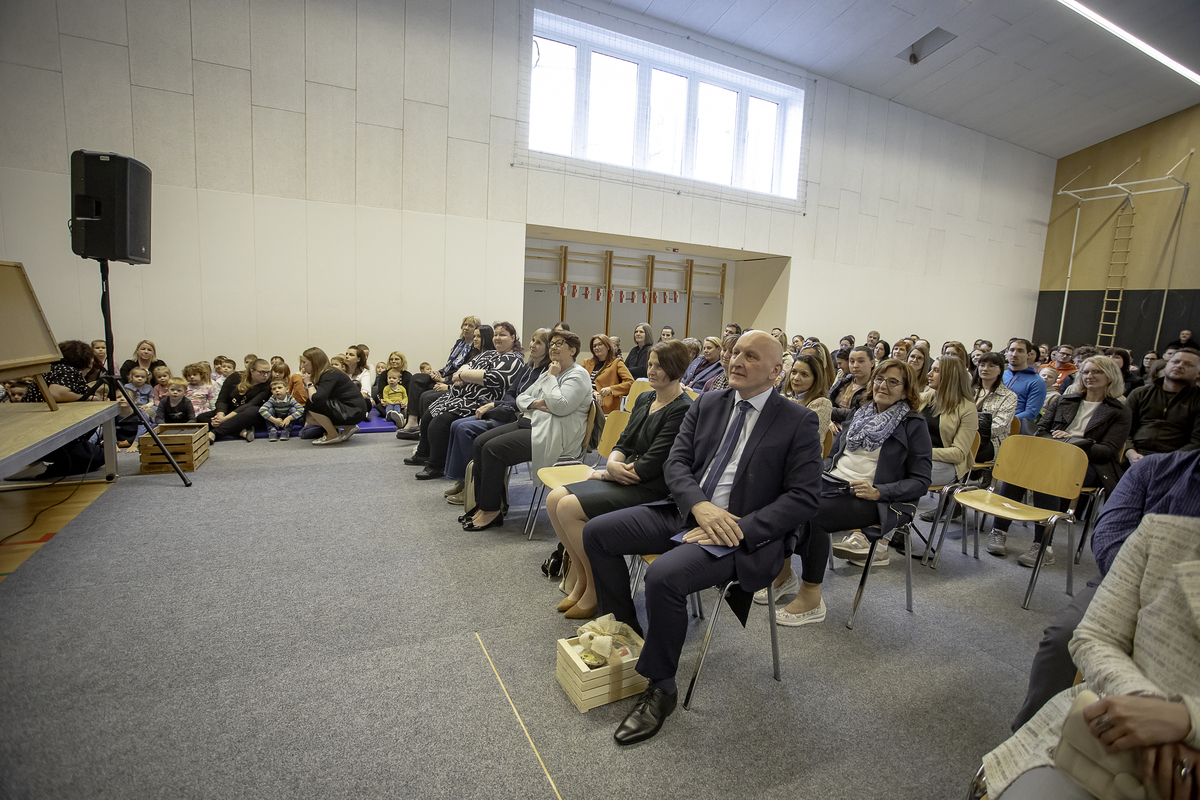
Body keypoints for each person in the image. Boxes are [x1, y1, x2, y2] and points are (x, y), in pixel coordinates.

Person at [582, 331, 822, 745]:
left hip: (741, 532)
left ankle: (662, 688)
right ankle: (628, 632)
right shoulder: (709, 403)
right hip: (687, 511)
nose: (737, 360)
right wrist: (699, 506)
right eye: (735, 352)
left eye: (751, 356)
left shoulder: (797, 420)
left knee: (664, 577)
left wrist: (736, 527)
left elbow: (804, 498)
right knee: (597, 532)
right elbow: (676, 464)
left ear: (776, 372)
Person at [977, 513, 1200, 800]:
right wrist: (1143, 705)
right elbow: (1096, 635)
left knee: (1062, 636)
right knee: (1063, 637)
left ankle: (1040, 543)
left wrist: (1187, 720)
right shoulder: (1162, 533)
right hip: (1108, 738)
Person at [1008, 448, 1200, 733]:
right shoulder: (1153, 470)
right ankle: (1028, 734)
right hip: (1124, 580)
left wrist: (1187, 723)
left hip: (1176, 599)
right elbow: (1109, 536)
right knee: (1064, 638)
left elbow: (1107, 449)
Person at [765, 358, 930, 610]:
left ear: (907, 390)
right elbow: (834, 456)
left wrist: (879, 492)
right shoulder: (860, 413)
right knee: (782, 496)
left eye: (893, 382)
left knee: (813, 514)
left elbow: (921, 482)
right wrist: (817, 472)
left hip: (876, 499)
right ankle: (784, 574)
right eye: (879, 379)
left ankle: (811, 596)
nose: (883, 386)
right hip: (834, 483)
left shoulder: (914, 425)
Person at [545, 341, 692, 618]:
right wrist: (612, 463)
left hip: (652, 489)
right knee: (554, 500)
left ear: (677, 369)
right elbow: (624, 441)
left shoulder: (682, 409)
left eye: (660, 366)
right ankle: (582, 579)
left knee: (567, 507)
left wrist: (608, 472)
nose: (652, 371)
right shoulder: (646, 398)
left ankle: (594, 590)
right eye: (650, 364)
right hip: (623, 475)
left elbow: (651, 465)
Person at [985, 355, 1131, 564]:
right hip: (1050, 455)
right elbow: (1041, 430)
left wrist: (1074, 442)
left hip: (1089, 464)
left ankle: (1043, 545)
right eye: (1086, 372)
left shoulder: (1119, 411)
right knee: (1018, 468)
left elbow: (1108, 451)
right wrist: (1056, 441)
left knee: (1047, 474)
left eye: (1097, 372)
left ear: (1111, 376)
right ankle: (999, 530)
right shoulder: (1064, 400)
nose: (1090, 376)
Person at [462, 330, 590, 531]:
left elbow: (559, 406)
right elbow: (521, 397)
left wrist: (551, 379)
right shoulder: (551, 370)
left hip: (553, 434)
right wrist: (535, 404)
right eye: (552, 343)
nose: (553, 347)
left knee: (492, 450)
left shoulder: (577, 375)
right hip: (533, 422)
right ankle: (486, 504)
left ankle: (491, 510)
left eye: (559, 344)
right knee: (480, 443)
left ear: (573, 350)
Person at [443, 328, 551, 503]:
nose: (532, 345)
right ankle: (463, 481)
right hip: (507, 410)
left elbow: (531, 401)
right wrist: (504, 403)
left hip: (517, 417)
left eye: (539, 343)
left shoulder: (546, 372)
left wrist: (501, 403)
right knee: (456, 424)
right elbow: (511, 393)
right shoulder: (528, 367)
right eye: (532, 340)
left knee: (465, 429)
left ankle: (470, 488)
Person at [406, 323, 524, 479]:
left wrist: (463, 376)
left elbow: (493, 378)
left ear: (513, 338)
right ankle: (423, 454)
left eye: (502, 335)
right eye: (495, 334)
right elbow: (466, 366)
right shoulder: (489, 353)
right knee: (429, 414)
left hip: (483, 402)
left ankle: (436, 465)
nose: (497, 338)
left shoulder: (514, 359)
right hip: (461, 396)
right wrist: (464, 374)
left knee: (439, 423)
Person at [18, 340, 108, 476]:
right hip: (51, 437)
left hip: (38, 434)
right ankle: (42, 471)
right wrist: (88, 398)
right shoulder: (68, 370)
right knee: (100, 456)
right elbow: (56, 393)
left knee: (97, 452)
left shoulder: (52, 369)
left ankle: (33, 465)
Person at [397, 315, 480, 434]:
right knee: (416, 378)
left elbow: (463, 373)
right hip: (445, 374)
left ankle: (424, 429)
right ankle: (412, 420)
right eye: (464, 325)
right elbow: (450, 365)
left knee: (426, 394)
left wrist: (444, 380)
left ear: (476, 330)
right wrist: (438, 373)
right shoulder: (459, 343)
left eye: (470, 326)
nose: (466, 328)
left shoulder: (474, 349)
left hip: (453, 380)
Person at [1123, 347, 1200, 464]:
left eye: (1188, 364)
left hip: (1176, 460)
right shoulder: (1140, 393)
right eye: (1175, 362)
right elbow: (1123, 429)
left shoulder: (1197, 399)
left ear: (1198, 373)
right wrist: (1129, 451)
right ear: (1166, 365)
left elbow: (1197, 442)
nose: (1179, 366)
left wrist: (1168, 461)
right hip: (1134, 455)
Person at [301, 348, 368, 445]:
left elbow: (316, 399)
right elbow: (310, 397)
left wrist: (309, 383)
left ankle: (332, 435)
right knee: (308, 416)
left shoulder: (330, 374)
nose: (302, 366)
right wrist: (307, 385)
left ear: (314, 362)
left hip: (354, 410)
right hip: (350, 409)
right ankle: (348, 427)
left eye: (304, 362)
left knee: (312, 404)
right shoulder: (325, 373)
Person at [197, 359, 274, 443]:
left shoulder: (268, 384)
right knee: (202, 418)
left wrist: (225, 419)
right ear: (252, 371)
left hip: (248, 414)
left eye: (268, 372)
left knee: (254, 411)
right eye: (262, 372)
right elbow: (222, 399)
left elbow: (250, 404)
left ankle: (214, 433)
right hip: (231, 411)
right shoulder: (235, 377)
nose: (266, 375)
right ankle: (240, 431)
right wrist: (220, 415)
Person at [973, 351, 1018, 464]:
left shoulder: (1008, 396)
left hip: (990, 442)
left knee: (961, 451)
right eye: (982, 365)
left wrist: (970, 434)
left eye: (991, 366)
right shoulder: (969, 391)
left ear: (1000, 370)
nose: (985, 369)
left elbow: (1000, 426)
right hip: (965, 437)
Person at [782, 352, 832, 444]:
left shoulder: (821, 404)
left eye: (804, 375)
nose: (796, 378)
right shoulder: (783, 398)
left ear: (816, 379)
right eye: (794, 372)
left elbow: (806, 440)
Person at [581, 334, 633, 415]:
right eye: (594, 346)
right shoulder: (587, 363)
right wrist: (593, 392)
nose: (597, 347)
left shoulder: (616, 363)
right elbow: (580, 382)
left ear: (608, 347)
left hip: (605, 406)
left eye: (600, 344)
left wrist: (611, 389)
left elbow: (630, 383)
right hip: (585, 403)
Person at [1003, 339, 1046, 434]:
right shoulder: (1000, 375)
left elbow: (1031, 413)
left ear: (1028, 354)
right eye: (1012, 350)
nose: (1014, 354)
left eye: (1020, 351)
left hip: (1015, 431)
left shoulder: (1037, 381)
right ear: (1007, 352)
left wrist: (1003, 422)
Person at [829, 346, 875, 431]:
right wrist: (829, 420)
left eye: (861, 361)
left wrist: (828, 412)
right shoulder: (844, 381)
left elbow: (856, 414)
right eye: (852, 361)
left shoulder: (875, 387)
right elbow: (826, 401)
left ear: (872, 363)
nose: (855, 365)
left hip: (854, 428)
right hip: (832, 424)